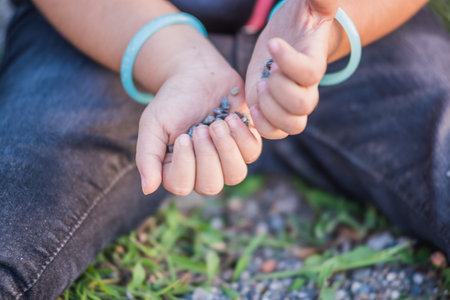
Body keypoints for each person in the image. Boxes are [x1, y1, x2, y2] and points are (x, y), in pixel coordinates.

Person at [0, 0, 448, 298]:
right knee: (18, 212)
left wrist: (324, 29)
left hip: (354, 33)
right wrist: (174, 57)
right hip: (118, 30)